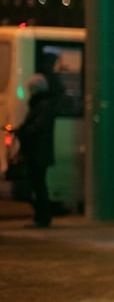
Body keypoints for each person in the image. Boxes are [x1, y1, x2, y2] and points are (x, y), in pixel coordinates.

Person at [12, 73, 57, 228]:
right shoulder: (44, 104)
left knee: (38, 185)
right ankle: (42, 217)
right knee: (38, 185)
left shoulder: (41, 105)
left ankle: (43, 217)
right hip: (39, 152)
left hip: (37, 153)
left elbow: (36, 128)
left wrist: (21, 131)